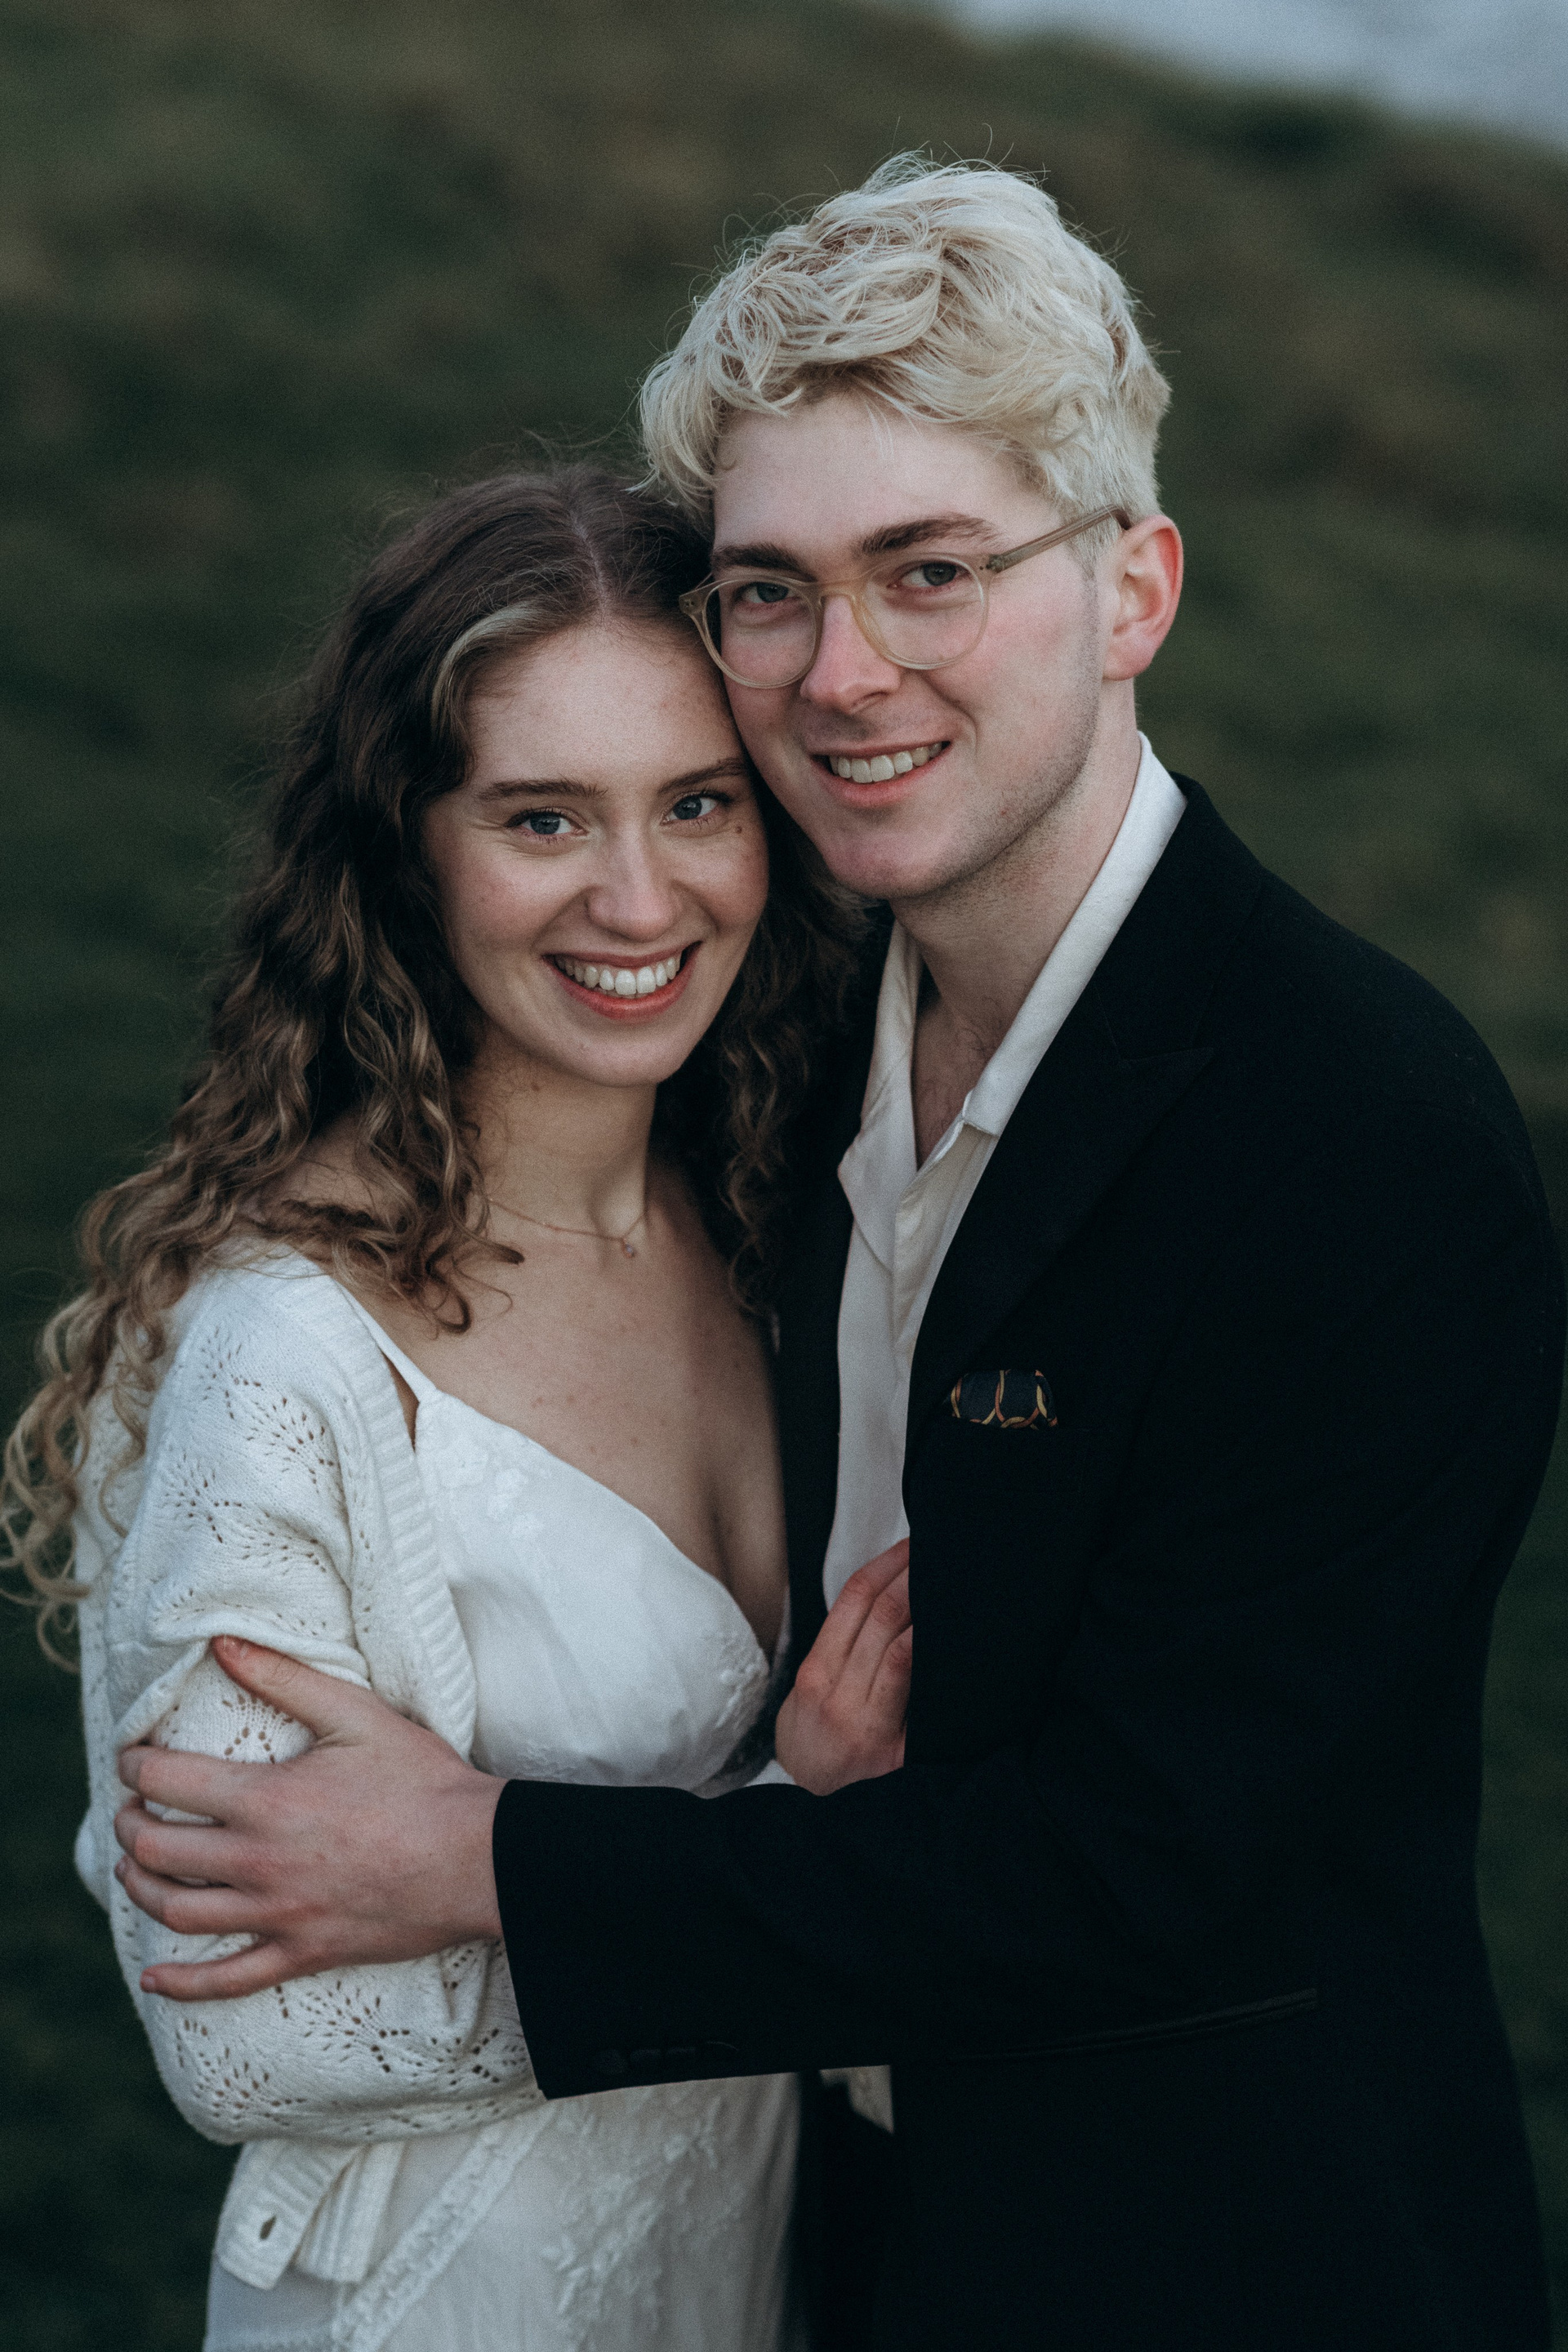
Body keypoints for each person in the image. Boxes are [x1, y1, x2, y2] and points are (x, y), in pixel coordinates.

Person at [105, 161, 1565, 2349]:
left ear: (1135, 588)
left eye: (931, 572)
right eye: (769, 592)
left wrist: (484, 1855)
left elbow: (1143, 1875)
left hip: (1209, 2270)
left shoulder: (1356, 1135)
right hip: (835, 2257)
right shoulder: (777, 1069)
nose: (842, 674)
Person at [2, 466, 917, 2352]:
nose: (639, 897)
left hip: (736, 2287)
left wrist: (554, 1880)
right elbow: (244, 2038)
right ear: (405, 845)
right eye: (542, 817)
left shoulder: (763, 1217)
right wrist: (789, 1855)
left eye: (698, 802)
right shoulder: (288, 1358)